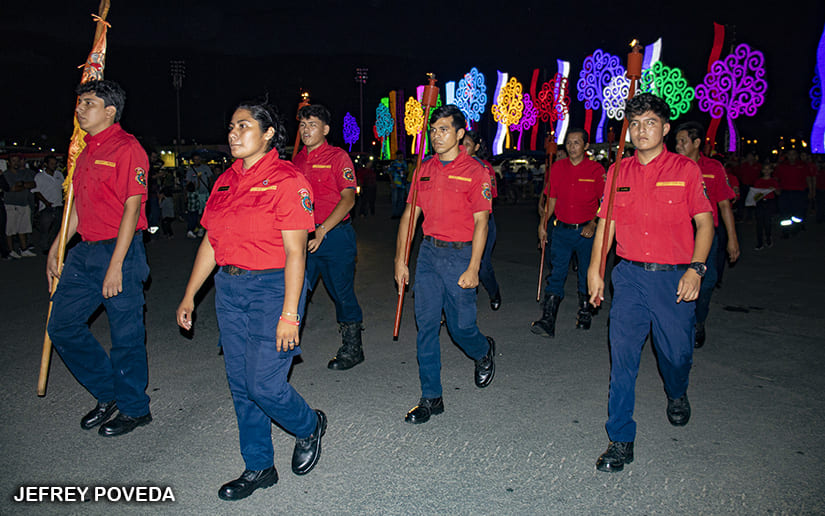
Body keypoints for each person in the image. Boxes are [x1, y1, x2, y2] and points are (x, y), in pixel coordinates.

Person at [176, 101, 326, 501]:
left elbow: (297, 253)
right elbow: (211, 241)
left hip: (273, 289)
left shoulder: (288, 181)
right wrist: (190, 294)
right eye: (230, 126)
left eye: (243, 125)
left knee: (264, 384)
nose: (233, 133)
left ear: (268, 134)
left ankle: (309, 424)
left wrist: (291, 314)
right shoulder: (225, 181)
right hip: (229, 290)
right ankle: (259, 466)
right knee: (241, 384)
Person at [587, 93, 713, 473]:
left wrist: (696, 268)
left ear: (665, 127)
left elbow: (705, 223)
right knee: (622, 359)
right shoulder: (617, 172)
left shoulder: (686, 170)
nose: (642, 131)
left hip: (674, 279)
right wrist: (596, 269)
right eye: (635, 124)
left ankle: (677, 391)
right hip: (629, 278)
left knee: (676, 356)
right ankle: (620, 439)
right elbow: (606, 225)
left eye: (650, 123)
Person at [46, 79, 152, 437]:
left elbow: (132, 206)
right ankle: (109, 392)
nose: (80, 109)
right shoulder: (85, 150)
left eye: (88, 103)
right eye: (79, 103)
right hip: (84, 251)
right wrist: (56, 247)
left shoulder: (128, 148)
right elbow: (77, 207)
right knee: (61, 325)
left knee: (126, 337)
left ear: (110, 111)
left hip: (120, 249)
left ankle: (135, 408)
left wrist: (117, 265)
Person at [394, 105, 495, 424]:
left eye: (444, 130)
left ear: (460, 133)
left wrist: (474, 267)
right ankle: (431, 397)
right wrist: (401, 259)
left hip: (461, 255)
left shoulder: (476, 171)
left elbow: (482, 223)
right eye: (433, 130)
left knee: (461, 327)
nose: (437, 136)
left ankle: (482, 351)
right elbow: (410, 216)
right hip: (428, 255)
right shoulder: (423, 169)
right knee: (425, 327)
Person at [293, 104, 365, 370]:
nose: (306, 129)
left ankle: (352, 348)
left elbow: (348, 199)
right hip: (303, 237)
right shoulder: (297, 160)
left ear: (325, 129)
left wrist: (322, 229)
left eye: (312, 124)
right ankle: (286, 343)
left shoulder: (338, 157)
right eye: (302, 125)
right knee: (296, 290)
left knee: (341, 293)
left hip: (335, 236)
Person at [533, 128, 605, 337]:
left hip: (586, 232)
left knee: (585, 273)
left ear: (586, 146)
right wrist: (543, 224)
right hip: (562, 230)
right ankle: (548, 320)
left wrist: (593, 223)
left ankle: (584, 312)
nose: (572, 147)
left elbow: (605, 203)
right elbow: (551, 199)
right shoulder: (558, 168)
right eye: (569, 143)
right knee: (556, 273)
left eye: (576, 143)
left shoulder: (595, 170)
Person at [674, 122, 740, 348]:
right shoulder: (672, 167)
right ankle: (678, 324)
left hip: (706, 234)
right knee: (675, 280)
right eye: (677, 141)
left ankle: (698, 321)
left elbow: (724, 206)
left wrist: (732, 239)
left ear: (697, 143)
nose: (678, 145)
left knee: (706, 281)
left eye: (683, 141)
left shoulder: (714, 168)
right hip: (678, 234)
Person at [462, 130, 501, 310]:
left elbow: (489, 196)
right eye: (460, 144)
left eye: (467, 145)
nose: (463, 148)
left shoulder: (483, 168)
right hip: (460, 223)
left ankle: (494, 292)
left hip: (482, 222)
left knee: (482, 264)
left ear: (477, 148)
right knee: (459, 263)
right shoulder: (452, 165)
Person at [775, 149, 814, 236]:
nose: (792, 156)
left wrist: (811, 191)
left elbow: (808, 178)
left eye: (794, 154)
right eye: (790, 154)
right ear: (787, 155)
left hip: (799, 192)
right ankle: (785, 230)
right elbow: (776, 178)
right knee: (784, 212)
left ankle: (796, 227)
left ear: (797, 155)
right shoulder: (782, 166)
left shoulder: (803, 165)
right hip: (785, 191)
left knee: (798, 211)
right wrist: (777, 189)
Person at [4, 154, 37, 258]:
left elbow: (33, 184)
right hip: (11, 205)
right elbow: (12, 188)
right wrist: (23, 185)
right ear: (9, 162)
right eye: (13, 161)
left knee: (23, 228)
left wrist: (21, 184)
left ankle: (24, 249)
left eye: (17, 161)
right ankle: (11, 250)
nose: (16, 163)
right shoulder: (6, 174)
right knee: (10, 230)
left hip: (23, 203)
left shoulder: (23, 173)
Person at [32, 155, 65, 253]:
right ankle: (45, 247)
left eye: (55, 164)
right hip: (47, 207)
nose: (54, 166)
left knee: (56, 229)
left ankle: (54, 247)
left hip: (58, 205)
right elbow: (36, 191)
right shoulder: (40, 176)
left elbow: (63, 187)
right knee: (45, 229)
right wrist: (46, 202)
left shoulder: (59, 174)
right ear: (46, 164)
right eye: (51, 164)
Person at [751, 161, 780, 250]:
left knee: (768, 222)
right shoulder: (758, 181)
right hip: (760, 203)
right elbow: (754, 195)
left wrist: (774, 189)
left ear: (771, 171)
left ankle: (768, 238)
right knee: (759, 223)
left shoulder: (773, 181)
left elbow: (778, 193)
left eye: (768, 169)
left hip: (770, 202)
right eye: (765, 169)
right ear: (762, 171)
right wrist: (761, 192)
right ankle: (760, 242)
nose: (767, 171)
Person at [185, 154, 212, 238]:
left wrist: (210, 188)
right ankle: (196, 228)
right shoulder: (190, 170)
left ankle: (202, 228)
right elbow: (188, 183)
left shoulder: (205, 168)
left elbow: (210, 178)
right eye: (195, 159)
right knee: (196, 212)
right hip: (195, 194)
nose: (197, 161)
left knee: (204, 212)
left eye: (198, 159)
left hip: (205, 193)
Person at [388, 151, 407, 218]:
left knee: (401, 200)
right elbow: (390, 173)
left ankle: (400, 214)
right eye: (399, 156)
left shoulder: (404, 163)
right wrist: (392, 182)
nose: (400, 157)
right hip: (395, 184)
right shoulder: (394, 163)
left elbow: (406, 171)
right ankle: (394, 214)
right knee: (394, 200)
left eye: (401, 156)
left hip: (402, 184)